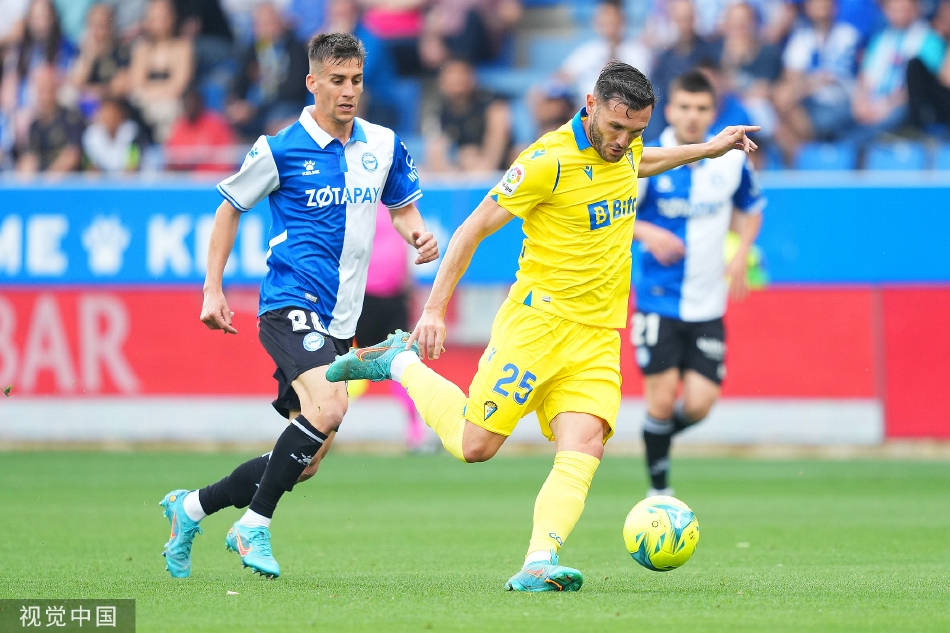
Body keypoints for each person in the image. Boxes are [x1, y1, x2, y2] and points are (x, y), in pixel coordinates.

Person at [325, 60, 758, 592]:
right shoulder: (544, 162)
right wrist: (433, 309)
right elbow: (471, 229)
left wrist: (706, 149)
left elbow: (640, 161)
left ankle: (538, 561)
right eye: (616, 127)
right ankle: (400, 362)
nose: (624, 141)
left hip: (597, 335)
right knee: (475, 445)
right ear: (591, 105)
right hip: (537, 326)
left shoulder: (626, 145)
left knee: (585, 444)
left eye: (636, 130)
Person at [158, 32, 438, 580]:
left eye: (356, 80)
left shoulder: (383, 145)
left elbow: (402, 208)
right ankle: (253, 525)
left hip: (339, 321)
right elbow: (228, 208)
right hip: (290, 302)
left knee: (304, 462)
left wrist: (418, 235)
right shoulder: (279, 148)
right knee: (330, 407)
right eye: (337, 80)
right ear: (312, 82)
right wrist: (213, 289)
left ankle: (190, 508)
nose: (349, 91)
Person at [631, 70, 764, 498]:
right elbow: (615, 213)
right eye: (685, 107)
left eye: (701, 108)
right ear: (670, 111)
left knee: (701, 404)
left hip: (708, 303)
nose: (692, 116)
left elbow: (752, 207)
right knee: (660, 399)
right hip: (658, 299)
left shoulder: (733, 161)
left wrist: (742, 251)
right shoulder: (648, 158)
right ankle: (659, 493)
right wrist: (648, 233)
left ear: (712, 113)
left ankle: (654, 437)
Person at [355, 202, 427, 450]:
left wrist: (409, 287)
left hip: (395, 297)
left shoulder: (401, 200)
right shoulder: (358, 199)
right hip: (362, 298)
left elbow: (404, 248)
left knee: (404, 361)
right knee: (345, 361)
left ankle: (416, 433)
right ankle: (319, 423)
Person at [772, 0, 861, 162]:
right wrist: (808, 85)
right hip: (810, 101)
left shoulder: (848, 35)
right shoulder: (802, 37)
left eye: (826, 5)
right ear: (808, 9)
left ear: (834, 8)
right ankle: (808, 159)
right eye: (818, 5)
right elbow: (792, 76)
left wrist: (806, 85)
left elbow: (835, 78)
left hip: (842, 102)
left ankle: (805, 159)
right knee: (782, 105)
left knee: (783, 125)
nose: (822, 10)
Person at [850, 0, 945, 143]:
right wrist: (861, 102)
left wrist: (887, 105)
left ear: (916, 9)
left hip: (904, 107)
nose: (899, 14)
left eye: (904, 9)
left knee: (896, 116)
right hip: (874, 103)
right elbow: (864, 77)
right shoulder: (879, 39)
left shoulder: (930, 40)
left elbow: (926, 87)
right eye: (894, 9)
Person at [227, 1, 309, 139]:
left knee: (276, 123)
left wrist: (255, 106)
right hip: (255, 108)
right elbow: (241, 80)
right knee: (229, 121)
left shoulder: (296, 48)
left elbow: (296, 87)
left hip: (285, 105)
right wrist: (236, 102)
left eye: (269, 23)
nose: (265, 29)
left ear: (280, 22)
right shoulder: (253, 50)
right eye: (260, 24)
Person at [644, 0, 722, 141]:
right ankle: (654, 142)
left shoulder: (710, 51)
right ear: (673, 21)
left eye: (688, 18)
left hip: (704, 105)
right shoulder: (665, 57)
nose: (684, 24)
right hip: (673, 109)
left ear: (695, 18)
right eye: (680, 19)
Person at [554, 0, 652, 110]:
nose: (609, 21)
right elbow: (561, 77)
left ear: (623, 19)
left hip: (623, 110)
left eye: (613, 17)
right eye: (605, 16)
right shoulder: (587, 51)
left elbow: (640, 89)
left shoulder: (639, 52)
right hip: (586, 109)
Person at [424, 57, 512, 172]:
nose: (456, 79)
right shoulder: (438, 110)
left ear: (472, 78)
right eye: (451, 74)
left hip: (500, 168)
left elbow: (491, 159)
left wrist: (484, 163)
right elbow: (435, 154)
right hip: (461, 168)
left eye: (461, 74)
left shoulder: (493, 105)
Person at [128, 0, 194, 142]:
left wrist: (153, 92)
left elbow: (180, 84)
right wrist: (156, 93)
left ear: (173, 18)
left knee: (171, 110)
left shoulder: (183, 47)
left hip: (171, 105)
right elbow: (137, 84)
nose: (160, 23)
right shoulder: (142, 49)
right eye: (155, 18)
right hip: (145, 104)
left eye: (163, 17)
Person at [16, 64, 83, 173]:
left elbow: (73, 155)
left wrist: (49, 176)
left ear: (57, 88)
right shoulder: (34, 125)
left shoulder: (71, 118)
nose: (46, 92)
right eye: (42, 88)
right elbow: (29, 157)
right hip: (41, 179)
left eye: (49, 87)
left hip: (67, 180)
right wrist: (27, 172)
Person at [164, 85, 237, 172]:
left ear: (199, 103)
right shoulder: (180, 125)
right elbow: (172, 158)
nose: (189, 106)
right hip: (184, 176)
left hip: (212, 176)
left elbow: (226, 160)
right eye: (186, 103)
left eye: (191, 102)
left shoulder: (216, 124)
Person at [81, 96, 148, 172]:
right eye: (106, 113)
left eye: (113, 113)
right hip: (103, 177)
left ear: (122, 114)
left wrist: (129, 170)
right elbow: (90, 163)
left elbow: (133, 164)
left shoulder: (132, 131)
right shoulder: (92, 134)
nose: (110, 117)